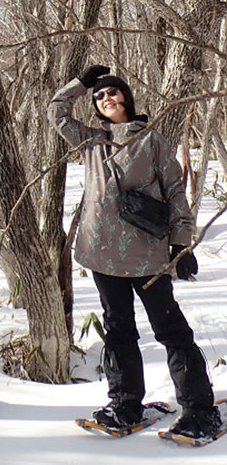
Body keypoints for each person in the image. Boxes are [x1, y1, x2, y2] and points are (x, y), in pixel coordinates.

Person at [49, 65, 221, 439]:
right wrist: (81, 83)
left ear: (126, 98)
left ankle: (199, 409)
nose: (106, 98)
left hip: (147, 257)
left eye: (112, 92)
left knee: (170, 330)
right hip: (102, 257)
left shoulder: (151, 139)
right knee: (118, 331)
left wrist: (181, 242)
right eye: (100, 96)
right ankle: (126, 404)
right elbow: (56, 111)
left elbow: (175, 190)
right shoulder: (93, 141)